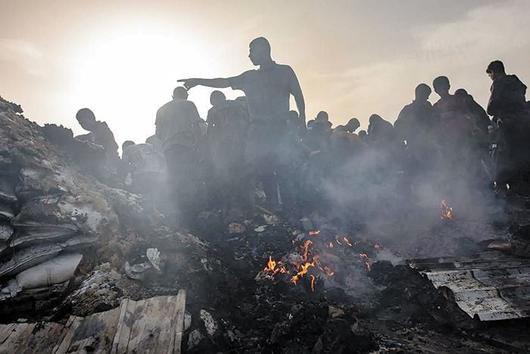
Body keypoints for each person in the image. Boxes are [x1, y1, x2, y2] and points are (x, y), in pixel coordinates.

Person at [179, 37, 306, 210]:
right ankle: (274, 207)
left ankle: (291, 208)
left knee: (284, 168)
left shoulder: (284, 72)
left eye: (251, 51)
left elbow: (298, 95)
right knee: (263, 169)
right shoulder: (249, 77)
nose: (249, 55)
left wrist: (302, 120)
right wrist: (198, 81)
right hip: (258, 131)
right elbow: (224, 82)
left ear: (264, 50)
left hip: (280, 129)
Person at [155, 86, 202, 224]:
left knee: (175, 180)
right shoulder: (188, 104)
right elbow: (196, 126)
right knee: (188, 179)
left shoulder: (161, 109)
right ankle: (191, 215)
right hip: (185, 146)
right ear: (185, 95)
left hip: (168, 149)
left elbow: (158, 133)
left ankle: (178, 215)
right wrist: (198, 144)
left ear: (172, 95)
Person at [486, 60, 529, 188]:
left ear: (494, 72)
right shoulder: (515, 82)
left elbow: (491, 108)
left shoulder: (499, 83)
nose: (491, 77)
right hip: (524, 123)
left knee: (505, 159)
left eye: (490, 74)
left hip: (508, 125)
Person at [206, 90, 249, 214]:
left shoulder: (213, 110)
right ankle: (246, 207)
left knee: (226, 178)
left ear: (213, 100)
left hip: (225, 148)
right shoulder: (239, 105)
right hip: (243, 145)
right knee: (243, 177)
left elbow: (210, 132)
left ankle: (229, 207)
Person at [75, 108, 120, 183]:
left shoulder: (103, 129)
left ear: (91, 118)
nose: (83, 125)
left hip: (111, 167)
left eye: (84, 122)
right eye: (80, 123)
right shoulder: (93, 133)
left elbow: (112, 147)